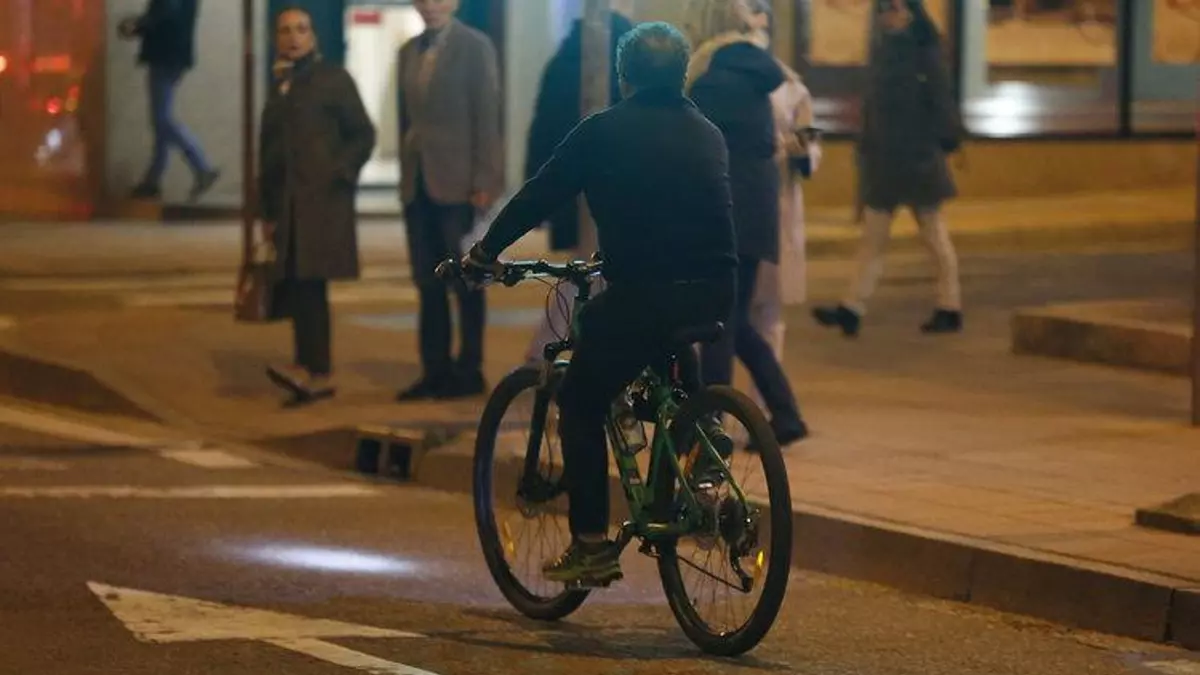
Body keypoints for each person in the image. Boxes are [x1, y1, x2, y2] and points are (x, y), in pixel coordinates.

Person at [462, 22, 737, 586]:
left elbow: (539, 194)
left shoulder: (602, 131)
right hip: (714, 289)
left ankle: (590, 545)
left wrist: (485, 252)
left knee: (581, 400)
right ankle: (700, 431)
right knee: (661, 342)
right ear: (682, 75)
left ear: (623, 76)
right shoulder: (708, 132)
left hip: (642, 294)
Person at [686, 0, 808, 446]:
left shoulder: (709, 81)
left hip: (728, 212)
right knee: (734, 320)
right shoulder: (763, 76)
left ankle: (713, 424)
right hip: (758, 210)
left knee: (724, 322)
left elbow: (697, 152)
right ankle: (782, 412)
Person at [811, 0, 963, 338]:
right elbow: (872, 110)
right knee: (873, 239)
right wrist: (865, 150)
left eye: (894, 8)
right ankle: (851, 307)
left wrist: (945, 141)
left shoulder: (924, 52)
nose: (888, 16)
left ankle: (950, 306)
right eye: (883, 10)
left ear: (910, 12)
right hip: (885, 161)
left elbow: (941, 101)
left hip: (918, 158)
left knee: (934, 236)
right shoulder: (882, 53)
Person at [259, 6, 377, 404]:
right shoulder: (282, 83)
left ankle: (317, 371)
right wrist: (268, 211)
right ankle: (306, 367)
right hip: (289, 207)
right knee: (297, 287)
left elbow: (363, 134)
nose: (293, 37)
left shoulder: (332, 79)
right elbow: (269, 153)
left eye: (301, 29)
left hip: (321, 204)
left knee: (311, 287)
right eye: (286, 30)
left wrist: (339, 173)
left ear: (313, 37)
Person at [396, 0, 504, 401]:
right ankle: (434, 370)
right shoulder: (408, 51)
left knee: (466, 281)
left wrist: (485, 180)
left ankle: (469, 369)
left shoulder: (475, 47)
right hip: (418, 183)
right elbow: (406, 120)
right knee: (428, 282)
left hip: (459, 184)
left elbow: (487, 117)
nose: (431, 5)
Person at [521, 7, 636, 365]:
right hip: (620, 188)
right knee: (599, 272)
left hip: (572, 187)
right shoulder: (630, 67)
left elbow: (541, 129)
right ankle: (554, 347)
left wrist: (537, 193)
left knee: (582, 270)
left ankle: (548, 348)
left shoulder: (562, 62)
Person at [742, 1, 821, 410]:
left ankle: (762, 408)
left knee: (769, 313)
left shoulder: (791, 86)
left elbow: (810, 141)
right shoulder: (718, 79)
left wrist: (795, 148)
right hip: (742, 201)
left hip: (778, 204)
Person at [118, 0, 220, 202]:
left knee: (163, 120)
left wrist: (137, 25)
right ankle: (152, 181)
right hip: (174, 55)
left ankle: (201, 167)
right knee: (161, 122)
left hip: (164, 56)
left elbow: (165, 13)